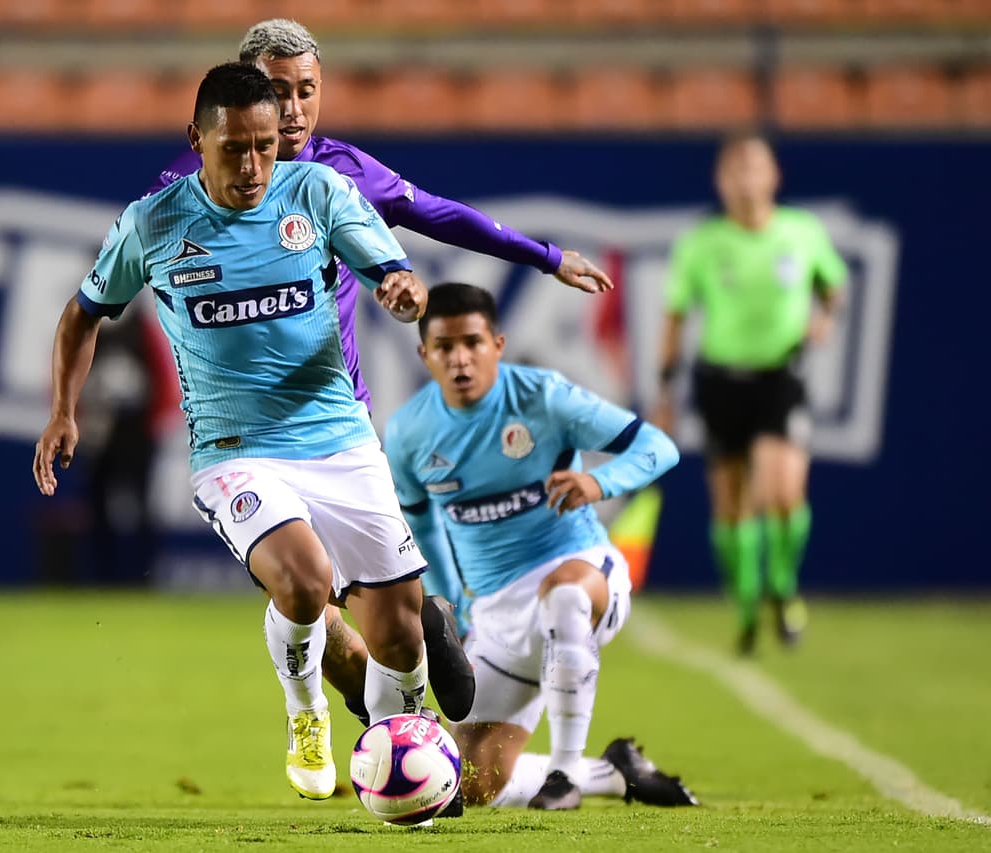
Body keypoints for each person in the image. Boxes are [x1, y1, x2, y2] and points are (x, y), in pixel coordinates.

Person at [144, 17, 613, 727]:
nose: (293, 109)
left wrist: (545, 257)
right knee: (312, 604)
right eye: (277, 91)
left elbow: (439, 215)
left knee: (327, 602)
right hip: (246, 438)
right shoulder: (191, 186)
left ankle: (403, 678)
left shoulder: (341, 173)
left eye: (307, 91)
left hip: (334, 424)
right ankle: (399, 703)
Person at [33, 62, 434, 802]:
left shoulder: (317, 192)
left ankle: (401, 766)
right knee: (306, 580)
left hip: (339, 438)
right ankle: (305, 711)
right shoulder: (152, 223)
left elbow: (391, 271)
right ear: (197, 140)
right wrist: (64, 409)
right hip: (234, 451)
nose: (253, 166)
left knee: (403, 635)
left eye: (265, 146)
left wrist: (403, 290)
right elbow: (83, 314)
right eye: (234, 148)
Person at [384, 283, 697, 811]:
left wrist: (599, 482)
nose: (460, 359)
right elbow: (422, 526)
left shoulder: (544, 398)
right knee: (473, 782)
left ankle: (565, 773)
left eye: (472, 342)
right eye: (444, 347)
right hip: (497, 613)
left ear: (498, 344)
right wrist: (449, 609)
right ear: (424, 354)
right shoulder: (409, 432)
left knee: (564, 596)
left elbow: (658, 446)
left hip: (581, 568)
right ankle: (613, 772)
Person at [653, 132, 848, 655]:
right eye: (734, 170)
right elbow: (675, 316)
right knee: (732, 505)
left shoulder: (802, 232)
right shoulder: (702, 242)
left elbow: (833, 287)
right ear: (720, 181)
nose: (744, 180)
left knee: (783, 494)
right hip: (720, 380)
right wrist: (665, 389)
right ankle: (745, 608)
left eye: (754, 168)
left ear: (773, 176)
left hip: (781, 377)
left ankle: (782, 586)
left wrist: (826, 317)